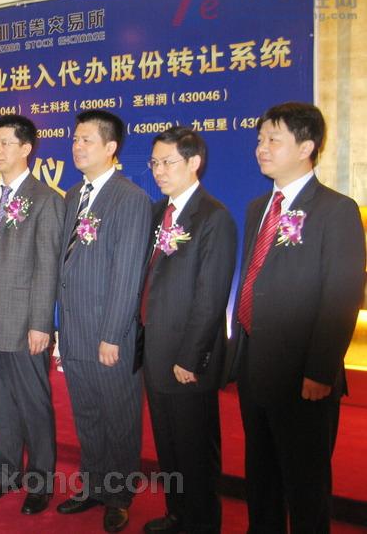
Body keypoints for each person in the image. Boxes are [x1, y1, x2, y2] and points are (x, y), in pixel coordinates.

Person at [231, 102, 365, 532]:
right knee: (261, 476)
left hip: (302, 375)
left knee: (305, 483)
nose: (261, 148)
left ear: (306, 147)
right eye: (259, 139)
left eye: (273, 139)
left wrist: (320, 370)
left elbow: (341, 295)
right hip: (255, 366)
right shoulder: (258, 207)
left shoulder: (335, 210)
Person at [0, 114, 65, 515]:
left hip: (25, 324)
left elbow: (47, 267)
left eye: (5, 143)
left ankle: (40, 482)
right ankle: (6, 472)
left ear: (27, 148)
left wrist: (41, 323)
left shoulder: (46, 199)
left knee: (33, 404)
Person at [56, 110, 151, 532]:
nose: (77, 147)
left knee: (119, 418)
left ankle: (119, 495)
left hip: (110, 335)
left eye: (87, 140)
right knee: (87, 415)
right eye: (75, 139)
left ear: (111, 148)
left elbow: (127, 274)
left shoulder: (129, 198)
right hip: (74, 331)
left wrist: (112, 334)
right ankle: (93, 485)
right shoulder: (73, 195)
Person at [141, 127, 237, 534]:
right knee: (169, 446)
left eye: (168, 162)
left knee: (196, 450)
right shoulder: (156, 213)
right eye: (154, 163)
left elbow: (211, 298)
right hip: (154, 351)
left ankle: (202, 523)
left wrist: (190, 357)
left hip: (186, 359)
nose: (159, 171)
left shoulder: (213, 217)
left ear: (194, 162)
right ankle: (177, 514)